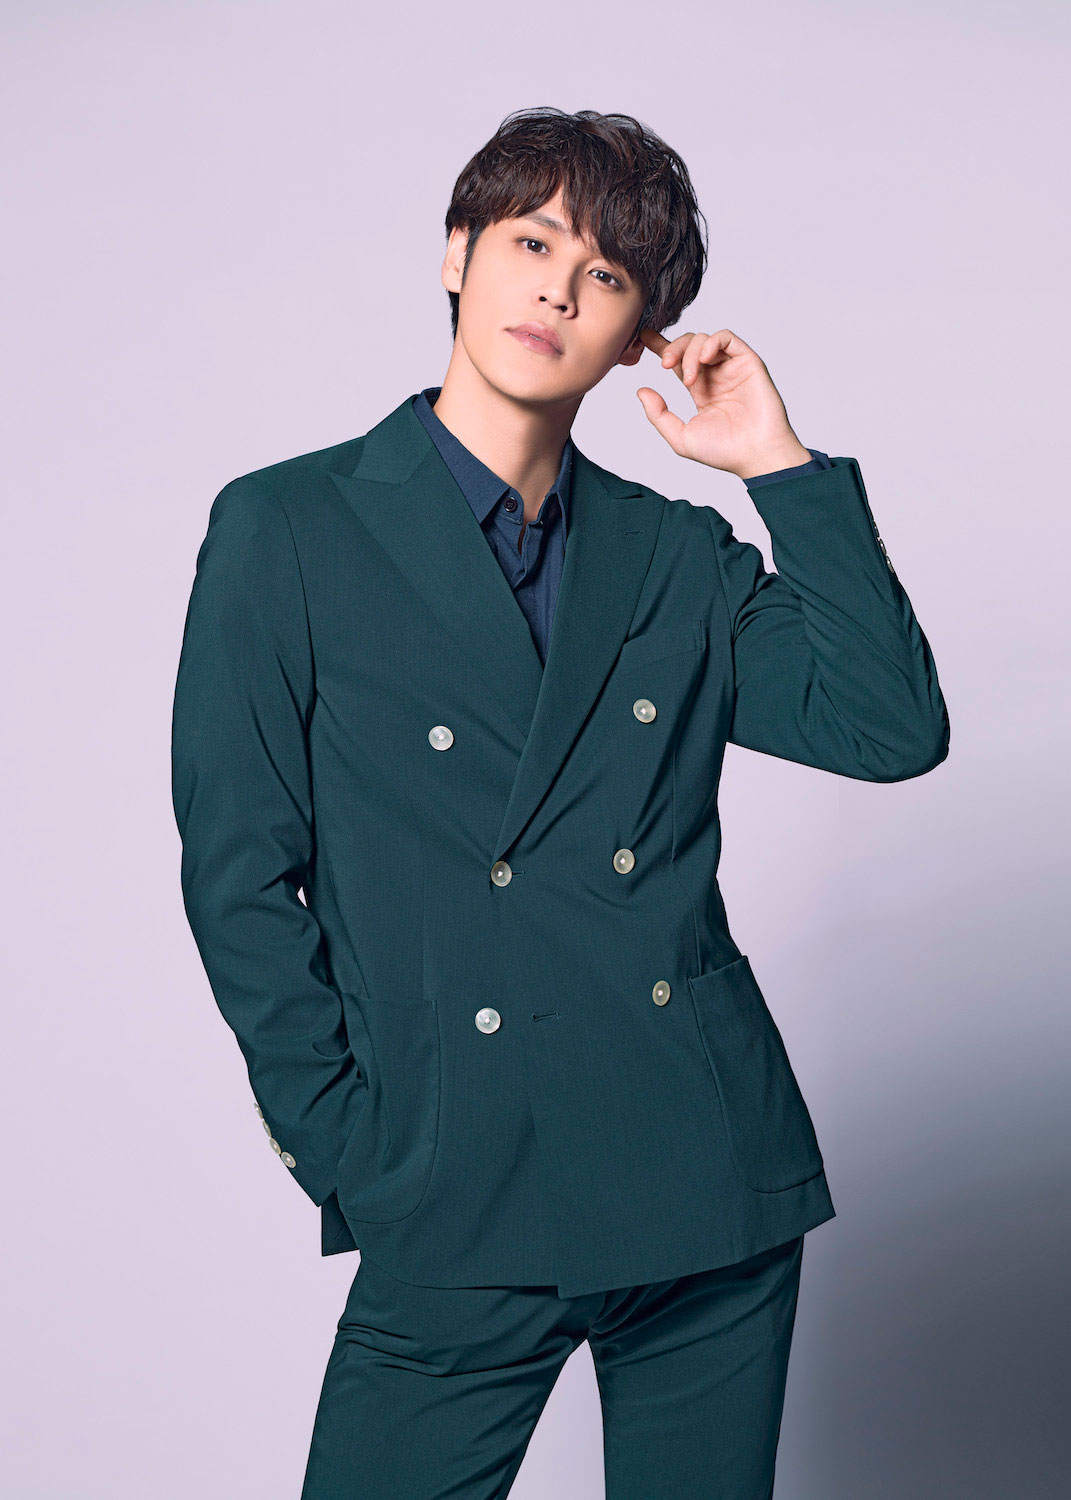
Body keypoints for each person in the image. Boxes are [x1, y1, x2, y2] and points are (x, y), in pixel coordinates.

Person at [170, 106, 949, 1498]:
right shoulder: (288, 528)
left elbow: (888, 729)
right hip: (456, 1188)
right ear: (457, 253)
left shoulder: (673, 555)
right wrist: (350, 1151)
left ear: (640, 328)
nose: (558, 292)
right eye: (532, 243)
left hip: (702, 1178)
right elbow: (238, 875)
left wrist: (781, 470)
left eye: (607, 275)